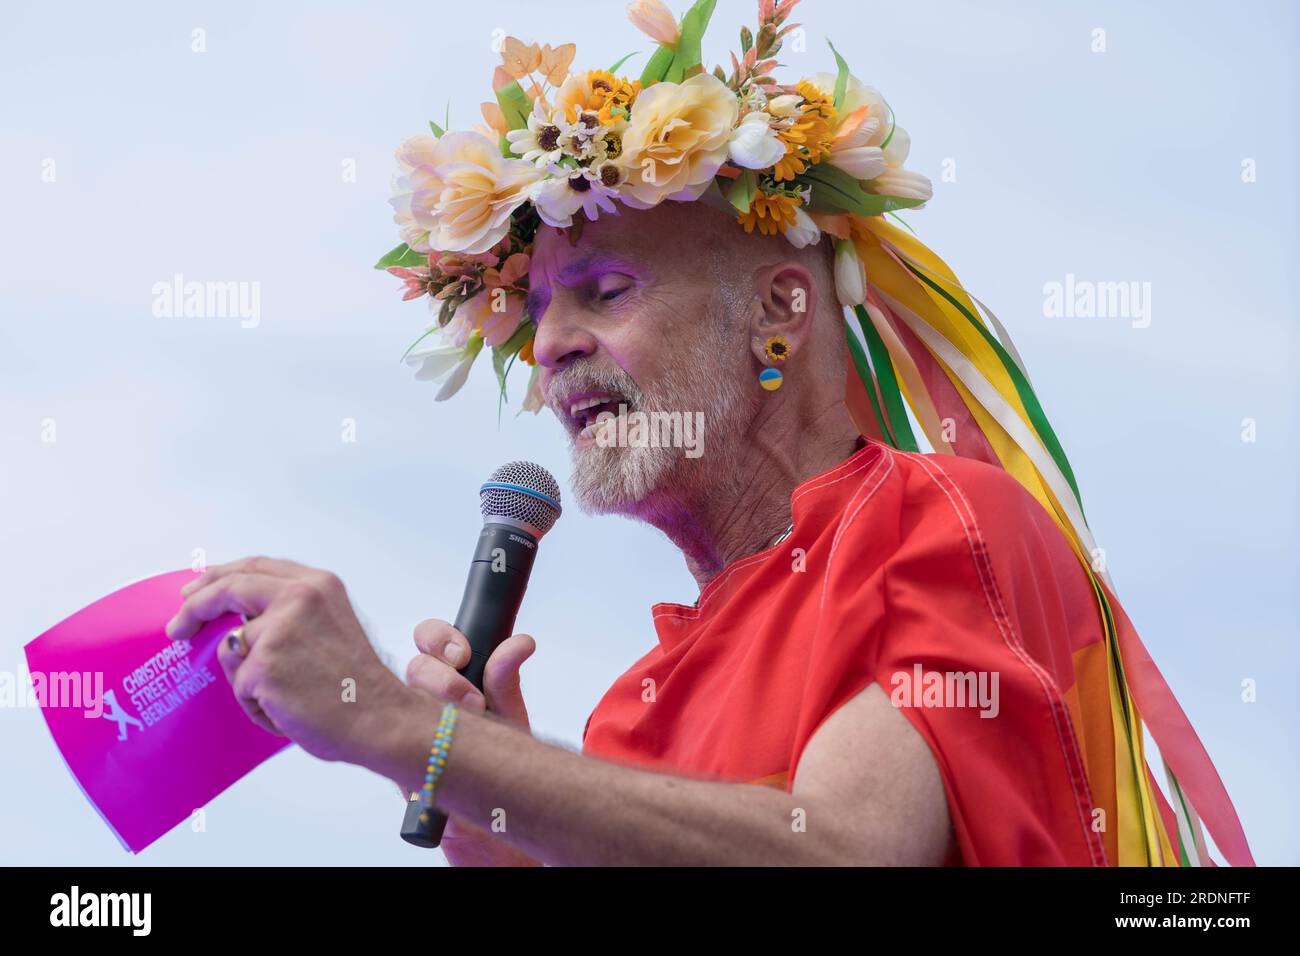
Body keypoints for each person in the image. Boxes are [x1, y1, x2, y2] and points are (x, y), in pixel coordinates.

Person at [166, 0, 1252, 866]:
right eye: (539, 308)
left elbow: (843, 850)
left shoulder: (941, 517)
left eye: (604, 289)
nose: (550, 345)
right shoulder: (634, 707)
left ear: (781, 309)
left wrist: (410, 735)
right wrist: (475, 802)